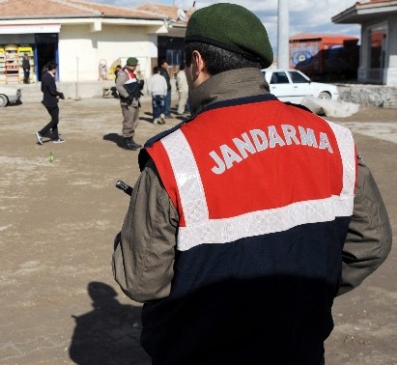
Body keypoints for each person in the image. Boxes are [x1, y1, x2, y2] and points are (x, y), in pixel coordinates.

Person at [112, 3, 392, 365]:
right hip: (300, 349)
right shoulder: (334, 140)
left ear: (197, 62)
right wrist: (306, 294)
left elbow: (140, 280)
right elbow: (372, 243)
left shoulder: (174, 156)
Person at [115, 57, 143, 150]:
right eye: (134, 66)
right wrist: (127, 96)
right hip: (128, 102)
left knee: (135, 121)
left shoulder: (131, 73)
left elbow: (132, 86)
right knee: (129, 121)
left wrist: (140, 85)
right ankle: (126, 141)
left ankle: (131, 140)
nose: (135, 67)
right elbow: (119, 86)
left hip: (135, 101)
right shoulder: (123, 73)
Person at [35, 61, 65, 144]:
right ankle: (41, 133)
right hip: (51, 102)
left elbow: (42, 89)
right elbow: (52, 91)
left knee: (54, 119)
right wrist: (59, 94)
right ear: (54, 69)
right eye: (56, 69)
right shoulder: (49, 78)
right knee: (55, 120)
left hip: (47, 101)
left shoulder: (44, 76)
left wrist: (53, 94)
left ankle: (55, 138)